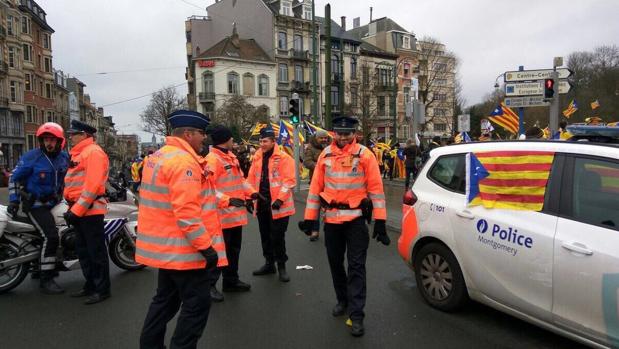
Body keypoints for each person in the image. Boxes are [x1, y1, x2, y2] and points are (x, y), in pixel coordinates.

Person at [137, 110, 226, 349]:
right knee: (196, 305)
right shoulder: (184, 162)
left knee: (164, 302)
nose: (204, 138)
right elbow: (187, 212)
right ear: (188, 134)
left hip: (165, 247)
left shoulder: (159, 156)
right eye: (201, 133)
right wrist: (206, 247)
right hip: (185, 251)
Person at [300, 116, 390, 337]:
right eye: (339, 133)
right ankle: (343, 300)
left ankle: (357, 314)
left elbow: (376, 189)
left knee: (357, 267)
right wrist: (310, 219)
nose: (342, 137)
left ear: (355, 134)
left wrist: (381, 221)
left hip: (356, 221)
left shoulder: (365, 155)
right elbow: (315, 189)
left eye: (347, 133)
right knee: (335, 264)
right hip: (331, 221)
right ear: (334, 133)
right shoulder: (325, 156)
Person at [7, 122, 69, 294]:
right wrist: (14, 201)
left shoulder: (64, 157)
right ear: (41, 141)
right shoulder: (31, 157)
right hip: (35, 205)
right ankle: (46, 278)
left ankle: (41, 265)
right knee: (50, 236)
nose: (49, 143)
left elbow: (69, 177)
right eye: (46, 139)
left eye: (52, 139)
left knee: (68, 226)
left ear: (59, 141)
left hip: (55, 203)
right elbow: (13, 178)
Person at [205, 125, 257, 302]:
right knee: (219, 252)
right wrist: (227, 200)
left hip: (234, 214)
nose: (233, 140)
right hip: (221, 215)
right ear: (225, 140)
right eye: (231, 138)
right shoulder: (212, 160)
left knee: (234, 250)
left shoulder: (230, 157)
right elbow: (208, 189)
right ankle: (210, 285)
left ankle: (231, 281)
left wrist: (252, 193)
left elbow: (240, 181)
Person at [63, 120, 111, 305]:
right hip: (80, 209)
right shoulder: (81, 153)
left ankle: (102, 289)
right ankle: (91, 285)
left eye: (73, 134)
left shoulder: (93, 153)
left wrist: (76, 210)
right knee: (84, 251)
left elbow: (92, 186)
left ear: (84, 135)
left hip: (89, 211)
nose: (70, 137)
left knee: (95, 252)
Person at [246, 126, 296, 282]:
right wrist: (248, 197)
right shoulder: (257, 158)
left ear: (273, 141)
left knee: (277, 238)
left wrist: (280, 199)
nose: (262, 144)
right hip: (262, 204)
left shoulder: (284, 158)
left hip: (279, 206)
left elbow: (289, 181)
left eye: (265, 141)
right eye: (260, 141)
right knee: (265, 237)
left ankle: (281, 266)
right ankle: (269, 263)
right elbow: (251, 179)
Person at [303, 130, 330, 242]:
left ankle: (331, 229)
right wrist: (320, 167)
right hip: (316, 180)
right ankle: (315, 230)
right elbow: (307, 162)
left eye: (325, 138)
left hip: (331, 181)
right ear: (316, 138)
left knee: (330, 206)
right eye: (321, 138)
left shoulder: (331, 147)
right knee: (316, 207)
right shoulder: (310, 148)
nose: (324, 140)